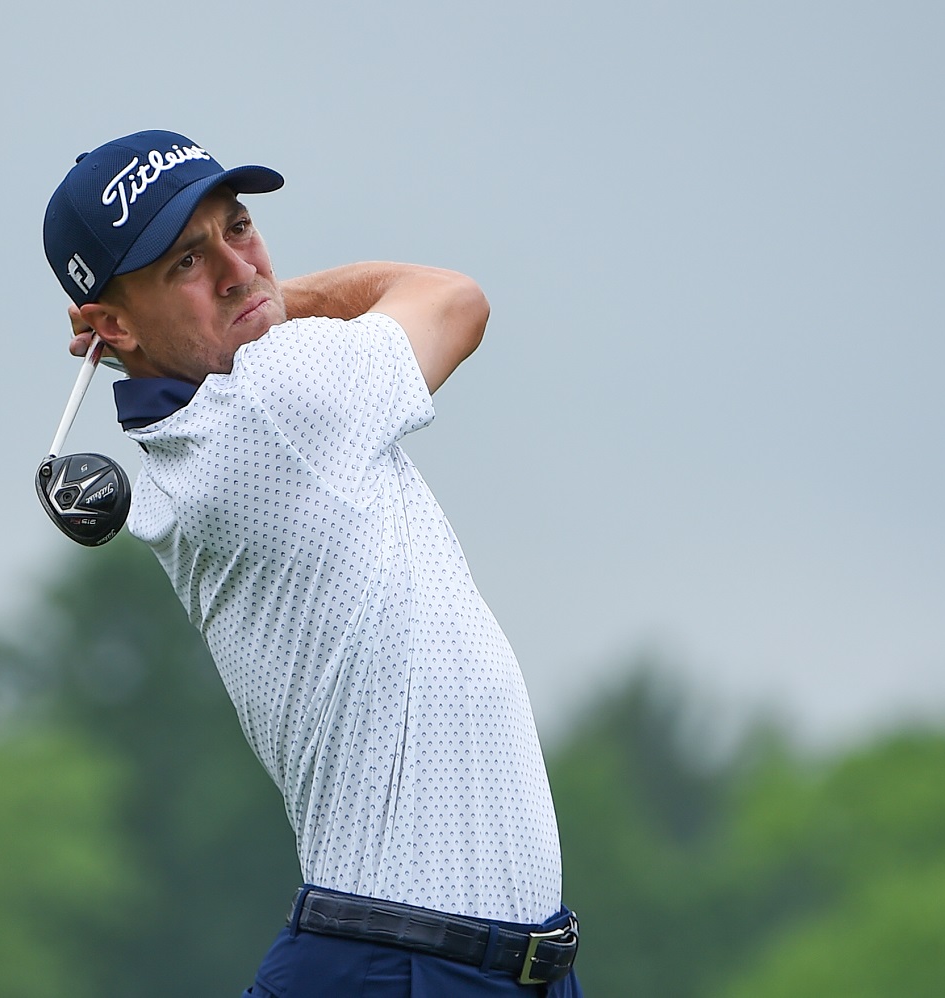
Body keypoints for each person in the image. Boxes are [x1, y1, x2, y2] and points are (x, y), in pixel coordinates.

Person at [42, 130, 583, 997]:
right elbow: (454, 298)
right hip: (402, 968)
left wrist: (250, 301)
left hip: (467, 966)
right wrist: (277, 301)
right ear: (111, 325)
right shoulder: (278, 401)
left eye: (238, 226)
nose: (237, 267)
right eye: (186, 262)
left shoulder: (231, 417)